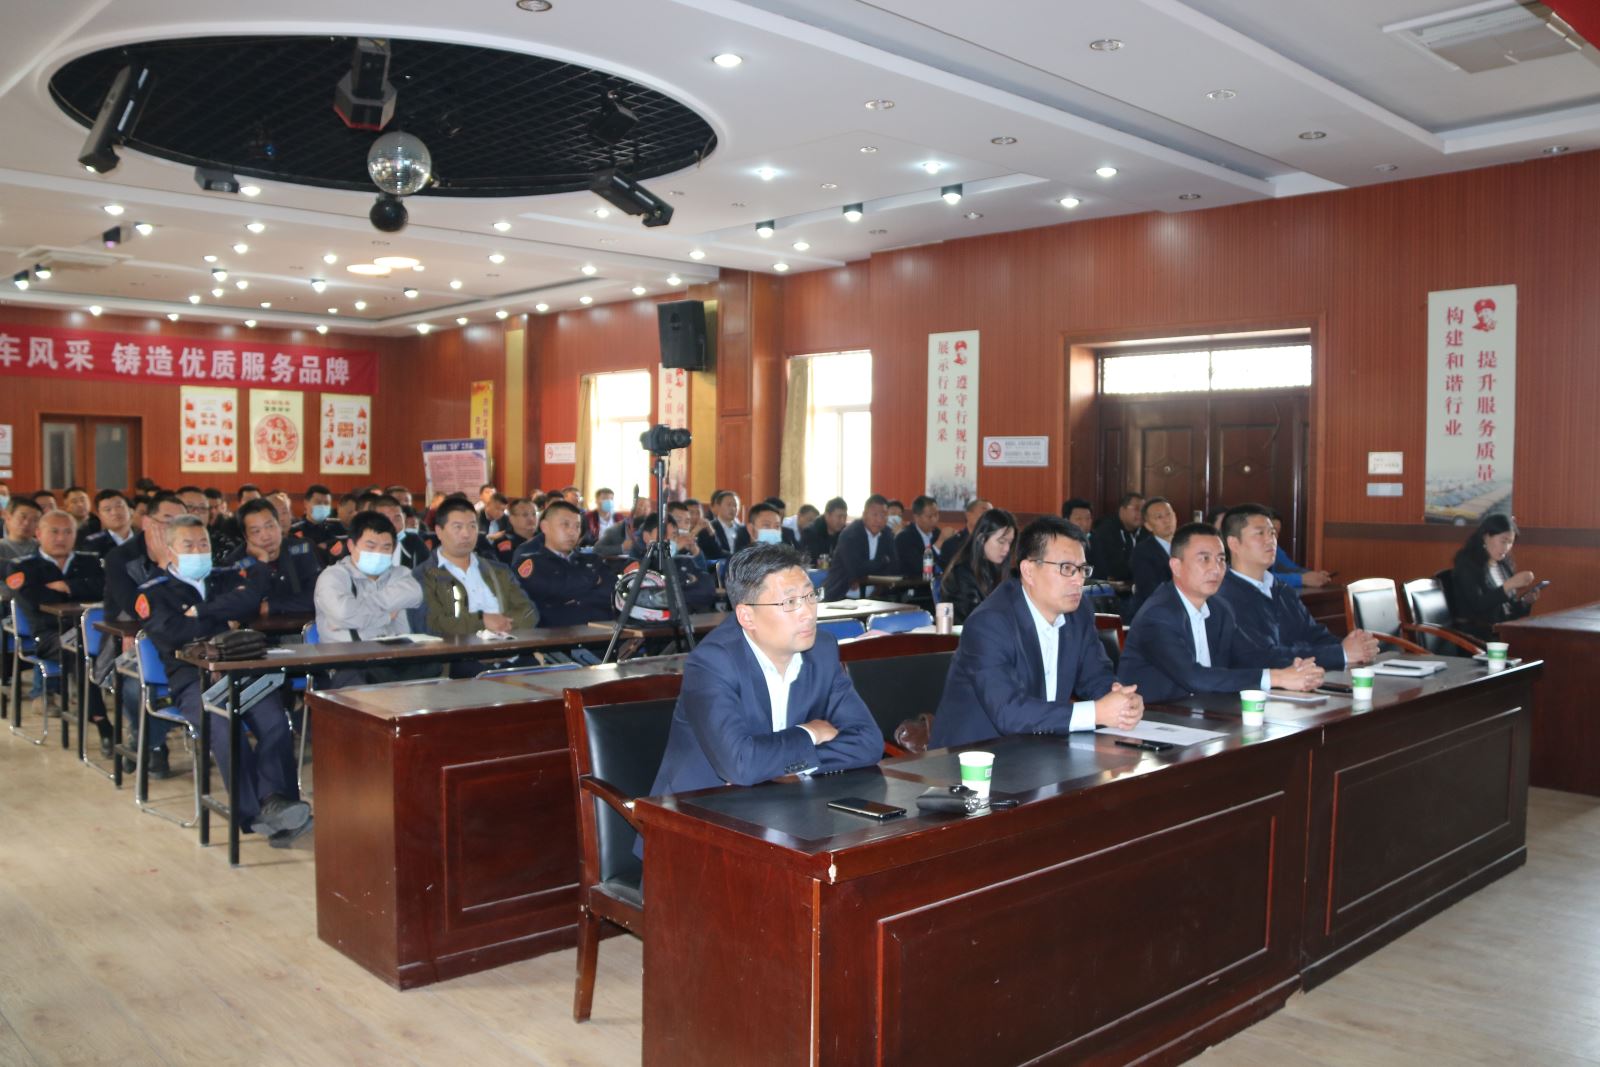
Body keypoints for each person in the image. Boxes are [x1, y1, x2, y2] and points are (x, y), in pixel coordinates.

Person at [647, 543, 883, 796]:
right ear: (747, 617)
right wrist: (809, 733)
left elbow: (868, 741)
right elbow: (741, 765)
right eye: (790, 602)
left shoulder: (821, 651)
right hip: (697, 807)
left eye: (810, 596)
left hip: (781, 802)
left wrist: (788, 766)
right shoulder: (712, 663)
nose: (807, 613)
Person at [135, 515, 311, 847]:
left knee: (276, 720)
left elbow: (249, 602)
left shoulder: (225, 575)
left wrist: (201, 613)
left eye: (203, 544)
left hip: (240, 671)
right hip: (193, 681)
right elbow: (172, 634)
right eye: (189, 545)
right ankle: (256, 814)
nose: (198, 551)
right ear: (170, 551)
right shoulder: (154, 591)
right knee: (225, 729)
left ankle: (277, 801)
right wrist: (222, 620)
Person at [931, 517, 1142, 748]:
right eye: (1067, 569)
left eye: (1082, 569)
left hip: (1042, 748)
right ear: (1029, 571)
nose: (1078, 580)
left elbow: (1096, 676)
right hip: (976, 755)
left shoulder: (1078, 612)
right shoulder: (990, 623)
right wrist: (1096, 712)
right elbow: (1009, 713)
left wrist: (1120, 699)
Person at [1117, 522, 1324, 704]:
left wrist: (1294, 669)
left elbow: (1250, 655)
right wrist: (1277, 678)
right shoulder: (1158, 615)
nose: (1216, 569)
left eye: (1221, 559)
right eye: (1204, 559)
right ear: (1176, 566)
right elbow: (1194, 677)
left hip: (1206, 710)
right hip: (1156, 717)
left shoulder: (1219, 609)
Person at [1214, 505, 1377, 671]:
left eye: (1272, 533)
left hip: (1304, 679)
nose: (1270, 540)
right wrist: (1341, 654)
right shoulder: (1224, 596)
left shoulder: (1281, 589)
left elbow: (1314, 634)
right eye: (1260, 533)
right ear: (1234, 543)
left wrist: (1353, 646)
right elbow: (1264, 657)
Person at [102, 492, 187, 772]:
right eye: (168, 520)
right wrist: (164, 566)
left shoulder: (190, 551)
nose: (176, 527)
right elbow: (136, 606)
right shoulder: (121, 557)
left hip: (181, 637)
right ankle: (155, 745)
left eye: (182, 520)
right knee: (135, 684)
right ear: (148, 522)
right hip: (127, 639)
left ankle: (142, 742)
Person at [7, 510, 107, 741]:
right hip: (48, 636)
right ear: (38, 534)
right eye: (54, 532)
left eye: (67, 532)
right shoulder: (23, 566)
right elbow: (36, 601)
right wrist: (83, 589)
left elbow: (104, 590)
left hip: (93, 631)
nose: (61, 538)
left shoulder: (89, 561)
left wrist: (68, 587)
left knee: (127, 653)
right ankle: (101, 720)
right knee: (79, 651)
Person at [313, 512, 429, 687]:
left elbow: (415, 594)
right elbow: (343, 614)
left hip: (398, 662)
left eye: (386, 548)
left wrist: (357, 610)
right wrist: (387, 615)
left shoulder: (401, 574)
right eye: (370, 546)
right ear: (351, 545)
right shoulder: (333, 577)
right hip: (348, 665)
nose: (378, 553)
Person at [413, 497, 538, 641]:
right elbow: (429, 625)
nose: (466, 534)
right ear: (439, 531)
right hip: (458, 652)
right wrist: (482, 621)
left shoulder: (498, 570)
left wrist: (501, 626)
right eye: (457, 527)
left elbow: (529, 612)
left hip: (508, 646)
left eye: (472, 526)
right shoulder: (424, 575)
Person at [511, 499, 614, 626]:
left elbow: (612, 592)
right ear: (545, 527)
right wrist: (594, 580)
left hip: (602, 631)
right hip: (555, 634)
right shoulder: (532, 563)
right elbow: (555, 589)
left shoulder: (592, 560)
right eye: (565, 525)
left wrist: (574, 596)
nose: (572, 532)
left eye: (577, 526)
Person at [221, 498, 322, 618]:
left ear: (279, 525)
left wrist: (271, 606)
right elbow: (240, 606)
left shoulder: (301, 550)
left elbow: (318, 596)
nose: (266, 536)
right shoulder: (236, 562)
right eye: (256, 531)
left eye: (270, 526)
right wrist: (262, 561)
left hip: (301, 626)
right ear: (245, 537)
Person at [1450, 513, 1540, 641]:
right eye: (1503, 541)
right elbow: (1478, 605)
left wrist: (1525, 602)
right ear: (1486, 537)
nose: (1506, 548)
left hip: (1501, 631)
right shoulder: (1467, 564)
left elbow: (1508, 610)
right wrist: (1509, 585)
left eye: (1510, 542)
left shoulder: (1503, 565)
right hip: (1477, 635)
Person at [941, 507, 1018, 624]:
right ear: (981, 539)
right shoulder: (961, 572)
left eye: (1010, 542)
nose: (1007, 549)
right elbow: (975, 618)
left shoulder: (1001, 569)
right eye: (1001, 542)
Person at [823, 494, 898, 601]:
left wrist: (872, 567)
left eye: (883, 516)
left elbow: (895, 566)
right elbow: (857, 569)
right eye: (875, 515)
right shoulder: (850, 534)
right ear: (864, 515)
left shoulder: (887, 534)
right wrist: (883, 562)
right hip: (842, 595)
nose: (878, 520)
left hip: (874, 597)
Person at [1127, 496, 1178, 620]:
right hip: (1153, 614)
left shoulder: (1185, 546)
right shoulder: (1142, 552)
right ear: (1148, 525)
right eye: (1159, 517)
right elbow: (1151, 590)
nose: (1167, 520)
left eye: (1169, 514)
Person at [1088, 492, 1145, 584]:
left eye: (1143, 510)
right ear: (1122, 510)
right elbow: (1114, 570)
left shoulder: (1146, 531)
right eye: (1136, 509)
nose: (1141, 514)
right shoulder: (1105, 532)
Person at [1267, 511, 1331, 588]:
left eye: (1278, 532)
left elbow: (1290, 568)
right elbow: (1260, 578)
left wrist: (1314, 575)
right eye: (1272, 531)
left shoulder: (1275, 548)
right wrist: (1301, 579)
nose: (1276, 536)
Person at [289, 484, 346, 559]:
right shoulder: (295, 530)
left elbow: (348, 543)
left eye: (326, 503)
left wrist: (327, 544)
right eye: (318, 503)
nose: (322, 507)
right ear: (306, 503)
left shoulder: (337, 526)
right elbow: (293, 552)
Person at [895, 495, 943, 580]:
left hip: (936, 584)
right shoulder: (904, 538)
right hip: (912, 585)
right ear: (916, 517)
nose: (935, 520)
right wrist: (938, 545)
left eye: (936, 515)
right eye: (930, 517)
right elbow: (918, 566)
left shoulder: (938, 534)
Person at [75, 490, 136, 557]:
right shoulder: (92, 543)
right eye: (107, 509)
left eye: (119, 506)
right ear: (99, 515)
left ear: (130, 509)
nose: (115, 512)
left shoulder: (143, 537)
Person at [937, 498, 992, 571]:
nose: (988, 517)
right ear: (968, 515)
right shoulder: (952, 543)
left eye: (991, 514)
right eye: (984, 512)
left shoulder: (993, 543)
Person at [696, 489, 742, 560]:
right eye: (729, 505)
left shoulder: (743, 530)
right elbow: (711, 553)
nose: (733, 508)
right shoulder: (708, 529)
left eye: (735, 505)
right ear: (718, 506)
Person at [801, 497, 848, 561]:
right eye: (839, 517)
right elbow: (809, 561)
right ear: (827, 515)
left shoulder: (845, 533)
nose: (842, 521)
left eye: (845, 517)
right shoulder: (810, 533)